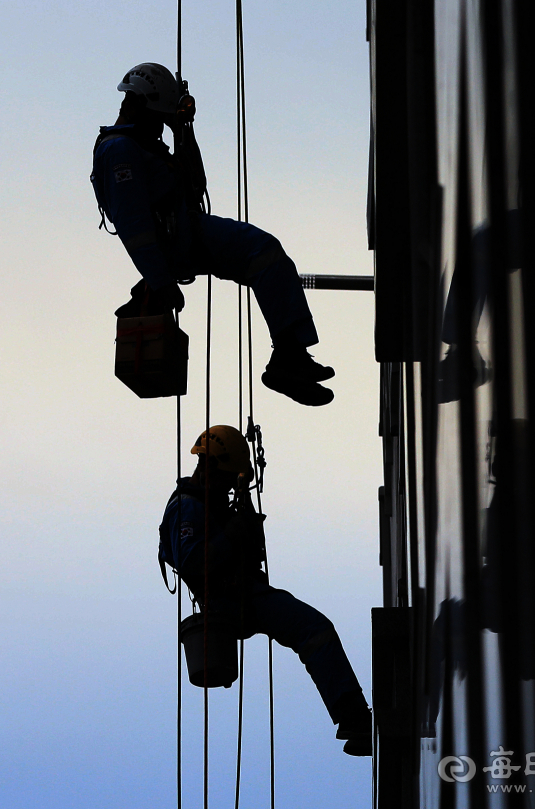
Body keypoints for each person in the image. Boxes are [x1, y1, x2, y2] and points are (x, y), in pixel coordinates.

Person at [91, 62, 334, 407]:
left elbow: (195, 185)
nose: (160, 125)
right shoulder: (120, 151)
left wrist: (184, 129)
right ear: (141, 106)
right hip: (178, 242)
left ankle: (291, 355)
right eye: (158, 117)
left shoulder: (144, 146)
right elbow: (134, 226)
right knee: (262, 251)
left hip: (186, 233)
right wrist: (160, 282)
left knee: (266, 254)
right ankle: (288, 359)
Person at [158, 425, 372, 756]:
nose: (229, 488)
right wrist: (233, 535)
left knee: (313, 628)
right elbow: (190, 560)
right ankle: (354, 719)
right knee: (313, 629)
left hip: (240, 593)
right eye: (228, 480)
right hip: (228, 599)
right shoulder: (187, 506)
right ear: (212, 468)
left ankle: (354, 720)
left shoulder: (208, 502)